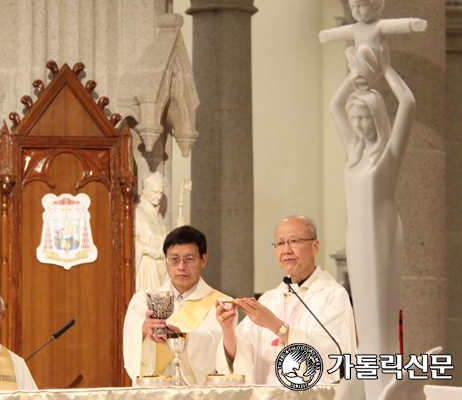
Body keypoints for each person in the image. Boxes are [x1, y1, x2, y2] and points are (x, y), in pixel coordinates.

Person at [329, 42, 415, 399]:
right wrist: (356, 76)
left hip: (381, 235)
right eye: (356, 118)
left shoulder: (388, 154)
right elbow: (335, 104)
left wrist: (386, 69)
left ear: (378, 117)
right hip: (357, 237)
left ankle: (386, 385)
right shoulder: (354, 154)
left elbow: (408, 104)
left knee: (381, 310)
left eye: (366, 117)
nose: (360, 124)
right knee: (363, 311)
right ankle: (367, 383)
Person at [216, 216, 356, 385]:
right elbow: (240, 359)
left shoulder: (333, 295)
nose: (286, 250)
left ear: (315, 246)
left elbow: (332, 356)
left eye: (294, 241)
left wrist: (276, 326)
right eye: (280, 243)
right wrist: (227, 329)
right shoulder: (269, 299)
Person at [123, 225, 236, 385]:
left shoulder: (222, 304)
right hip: (152, 393)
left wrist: (184, 339)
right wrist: (143, 328)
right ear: (166, 260)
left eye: (189, 259)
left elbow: (217, 347)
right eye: (174, 259)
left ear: (203, 259)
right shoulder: (144, 299)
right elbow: (130, 342)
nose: (181, 267)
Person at [319, 0, 426, 89]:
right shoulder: (355, 28)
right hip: (361, 64)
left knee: (363, 49)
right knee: (350, 50)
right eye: (353, 6)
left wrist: (412, 24)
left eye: (360, 6)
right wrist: (327, 35)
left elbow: (397, 25)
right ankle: (357, 72)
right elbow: (339, 33)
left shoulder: (379, 25)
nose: (356, 11)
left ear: (376, 6)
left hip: (375, 62)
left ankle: (360, 73)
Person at [134, 172, 168, 291]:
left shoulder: (158, 216)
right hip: (147, 268)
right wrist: (148, 250)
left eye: (160, 193)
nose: (158, 197)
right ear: (145, 191)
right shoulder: (137, 213)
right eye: (154, 192)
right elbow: (131, 242)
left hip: (161, 266)